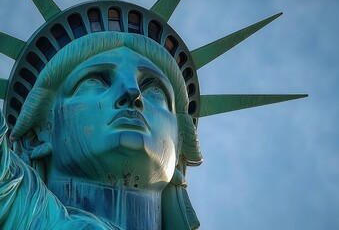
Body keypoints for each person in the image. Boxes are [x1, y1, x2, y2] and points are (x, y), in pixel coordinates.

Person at [0, 32, 201, 230]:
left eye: (155, 90)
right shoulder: (15, 207)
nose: (132, 92)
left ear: (179, 148)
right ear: (36, 137)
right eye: (93, 81)